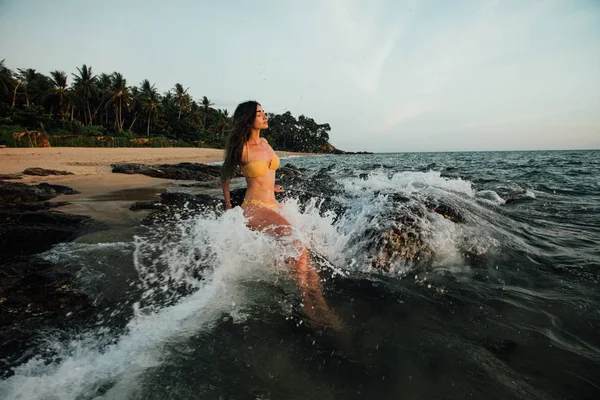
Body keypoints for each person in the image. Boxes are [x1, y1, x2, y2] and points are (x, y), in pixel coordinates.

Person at [221, 100, 340, 330]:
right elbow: (224, 176)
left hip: (273, 203)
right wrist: (228, 206)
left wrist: (272, 187)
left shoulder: (265, 142)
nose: (265, 116)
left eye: (264, 112)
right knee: (296, 243)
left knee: (306, 252)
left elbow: (267, 171)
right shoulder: (242, 148)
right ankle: (307, 305)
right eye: (259, 113)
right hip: (254, 206)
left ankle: (321, 305)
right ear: (248, 119)